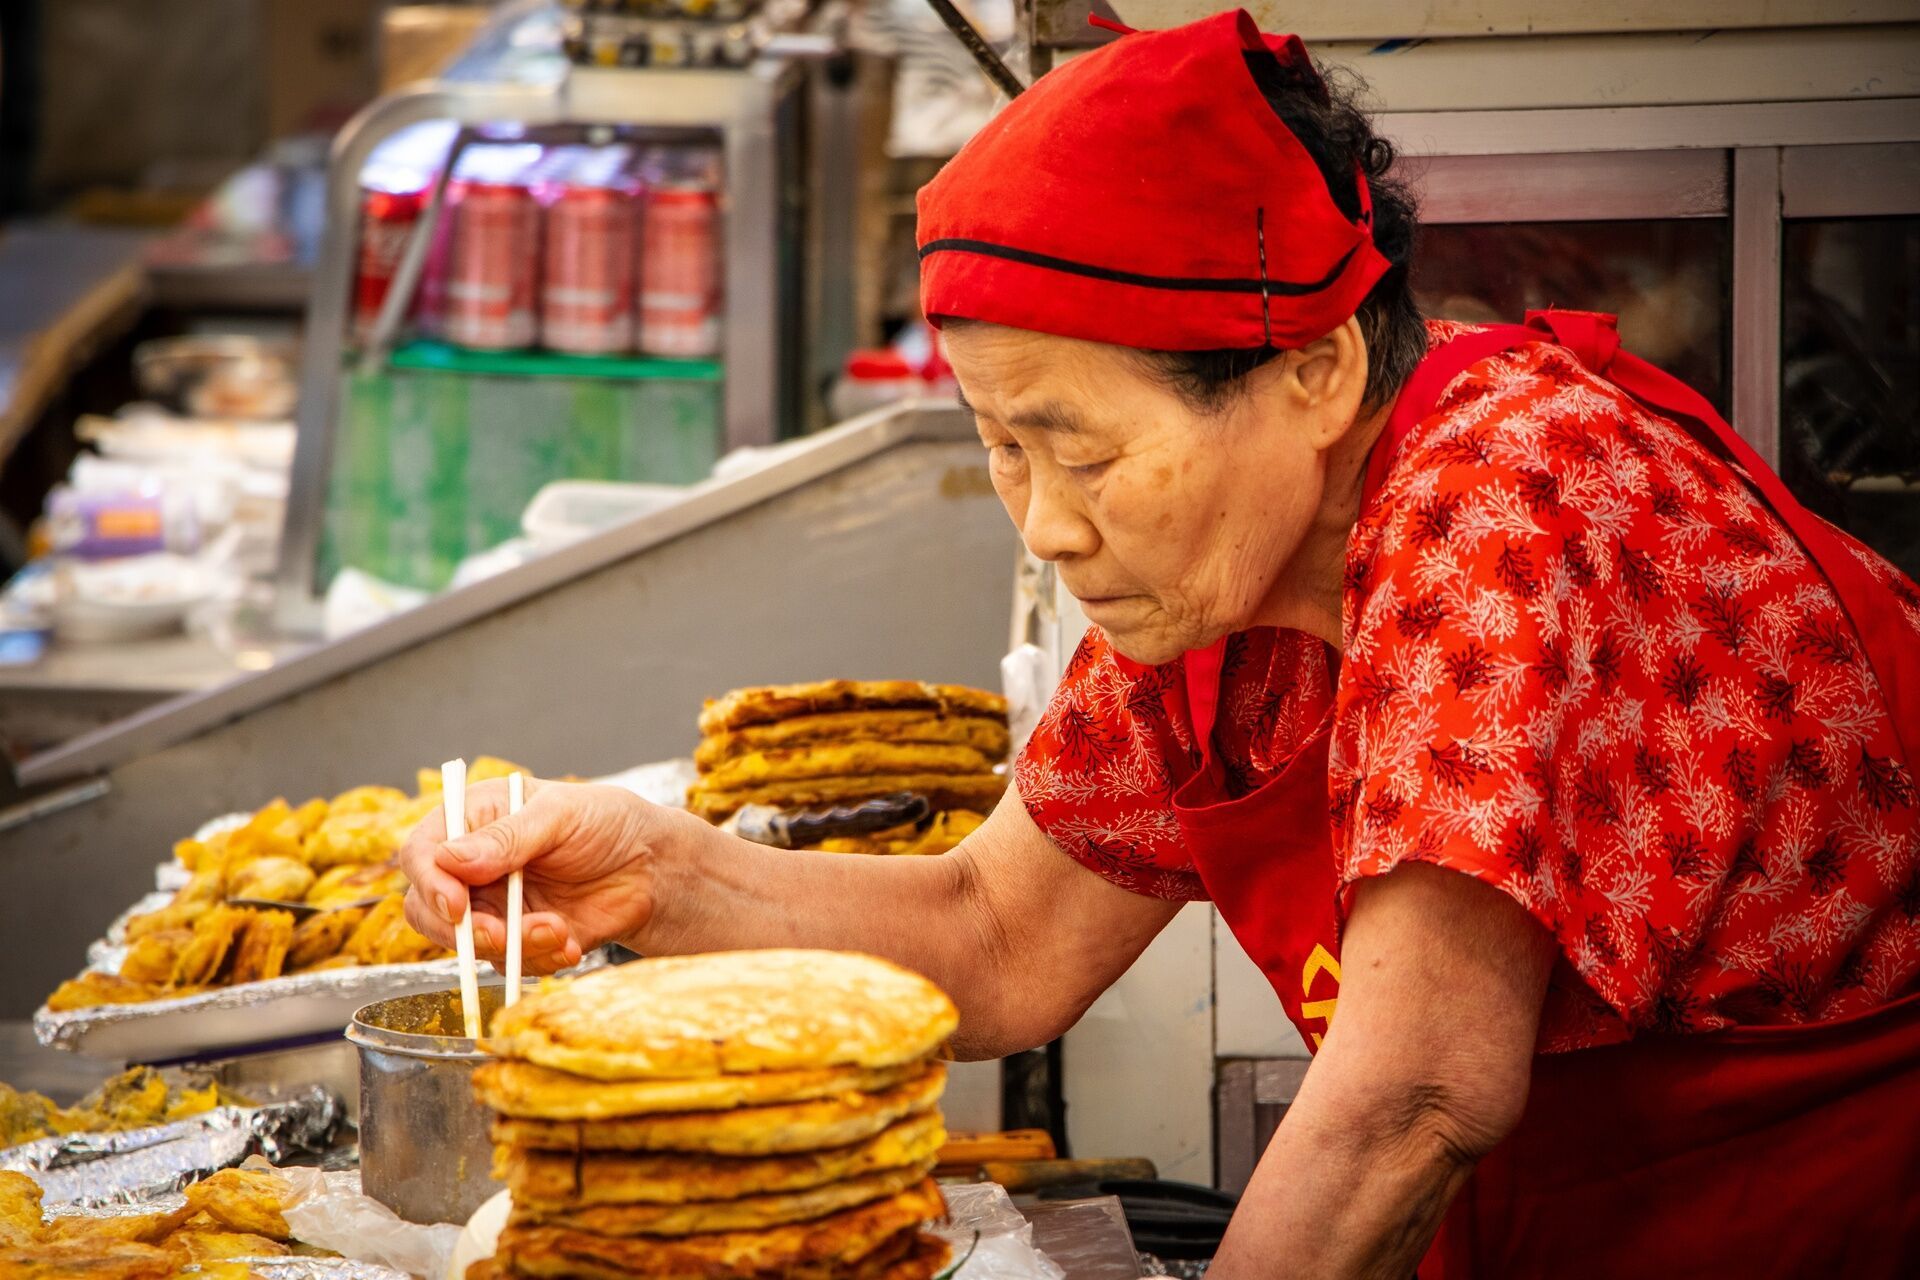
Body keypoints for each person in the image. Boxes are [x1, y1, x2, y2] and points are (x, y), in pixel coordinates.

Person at [402, 11, 1920, 1276]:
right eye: (1002, 448)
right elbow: (1000, 936)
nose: (1047, 526)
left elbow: (1412, 1096)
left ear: (1314, 372)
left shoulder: (1500, 495)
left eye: (1082, 450)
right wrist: (656, 876)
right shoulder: (1220, 586)